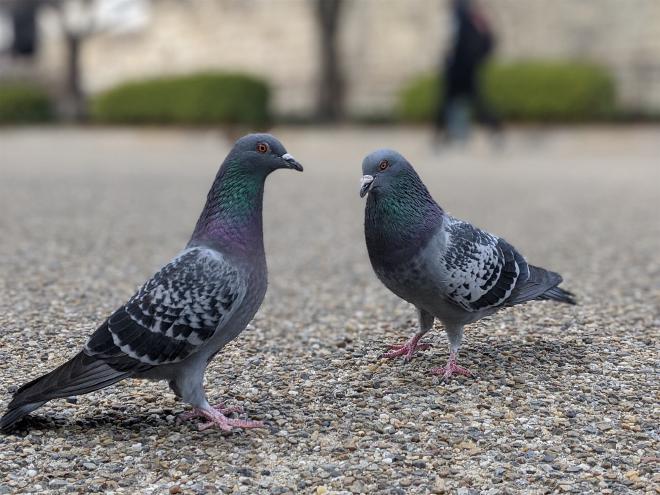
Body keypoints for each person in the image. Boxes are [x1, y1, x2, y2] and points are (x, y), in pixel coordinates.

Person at [435, 0, 501, 145]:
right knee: (447, 102)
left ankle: (495, 129)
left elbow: (464, 43)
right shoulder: (465, 17)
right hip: (462, 69)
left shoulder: (463, 17)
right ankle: (441, 135)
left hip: (462, 70)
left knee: (472, 102)